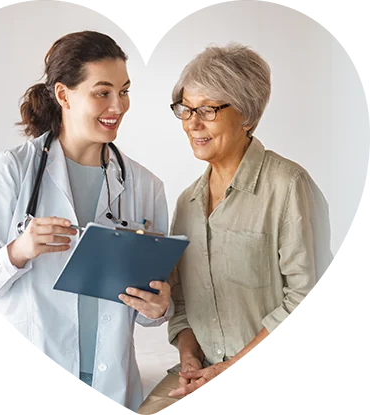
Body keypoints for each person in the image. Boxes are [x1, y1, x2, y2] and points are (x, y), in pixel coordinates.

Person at [0, 31, 173, 415]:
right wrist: (17, 251)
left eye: (124, 91)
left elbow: (150, 308)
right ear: (63, 94)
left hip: (108, 387)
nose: (118, 105)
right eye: (102, 92)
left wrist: (159, 307)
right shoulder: (12, 172)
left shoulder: (145, 186)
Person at [137, 43, 332, 415]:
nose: (192, 123)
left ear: (247, 114)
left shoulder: (289, 186)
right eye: (185, 109)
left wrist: (232, 371)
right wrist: (190, 359)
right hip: (206, 368)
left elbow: (308, 301)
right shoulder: (187, 203)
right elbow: (181, 301)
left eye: (207, 110)